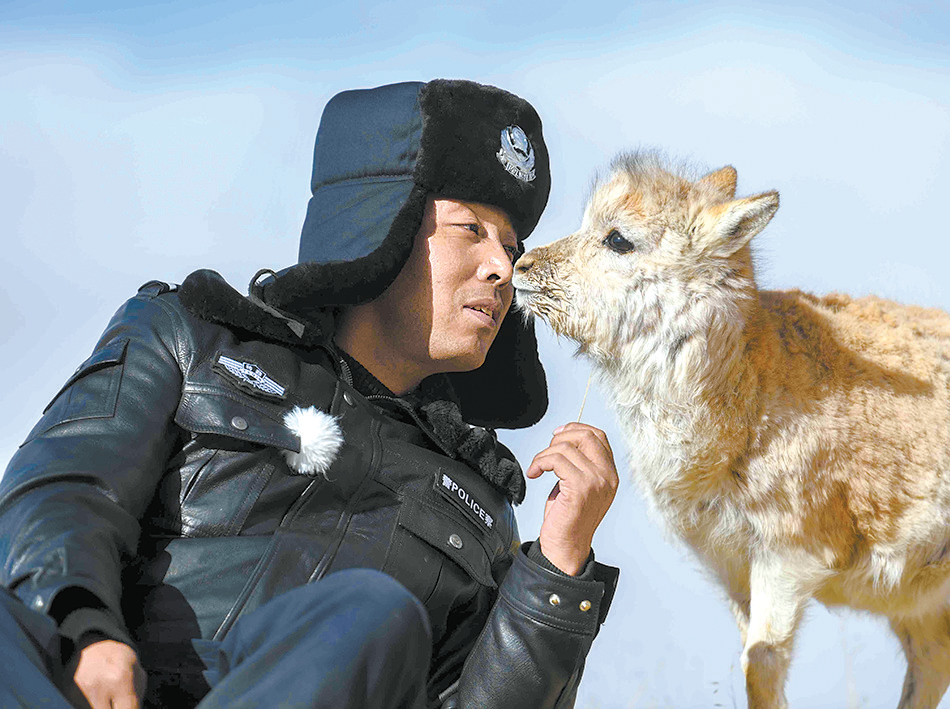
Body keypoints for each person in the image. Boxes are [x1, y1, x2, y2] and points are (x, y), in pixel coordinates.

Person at [0, 79, 620, 709]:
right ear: (388, 220)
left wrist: (559, 566)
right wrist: (84, 633)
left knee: (368, 614)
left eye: (511, 248)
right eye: (470, 230)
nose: (504, 269)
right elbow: (64, 493)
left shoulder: (483, 509)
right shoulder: (189, 338)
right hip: (82, 685)